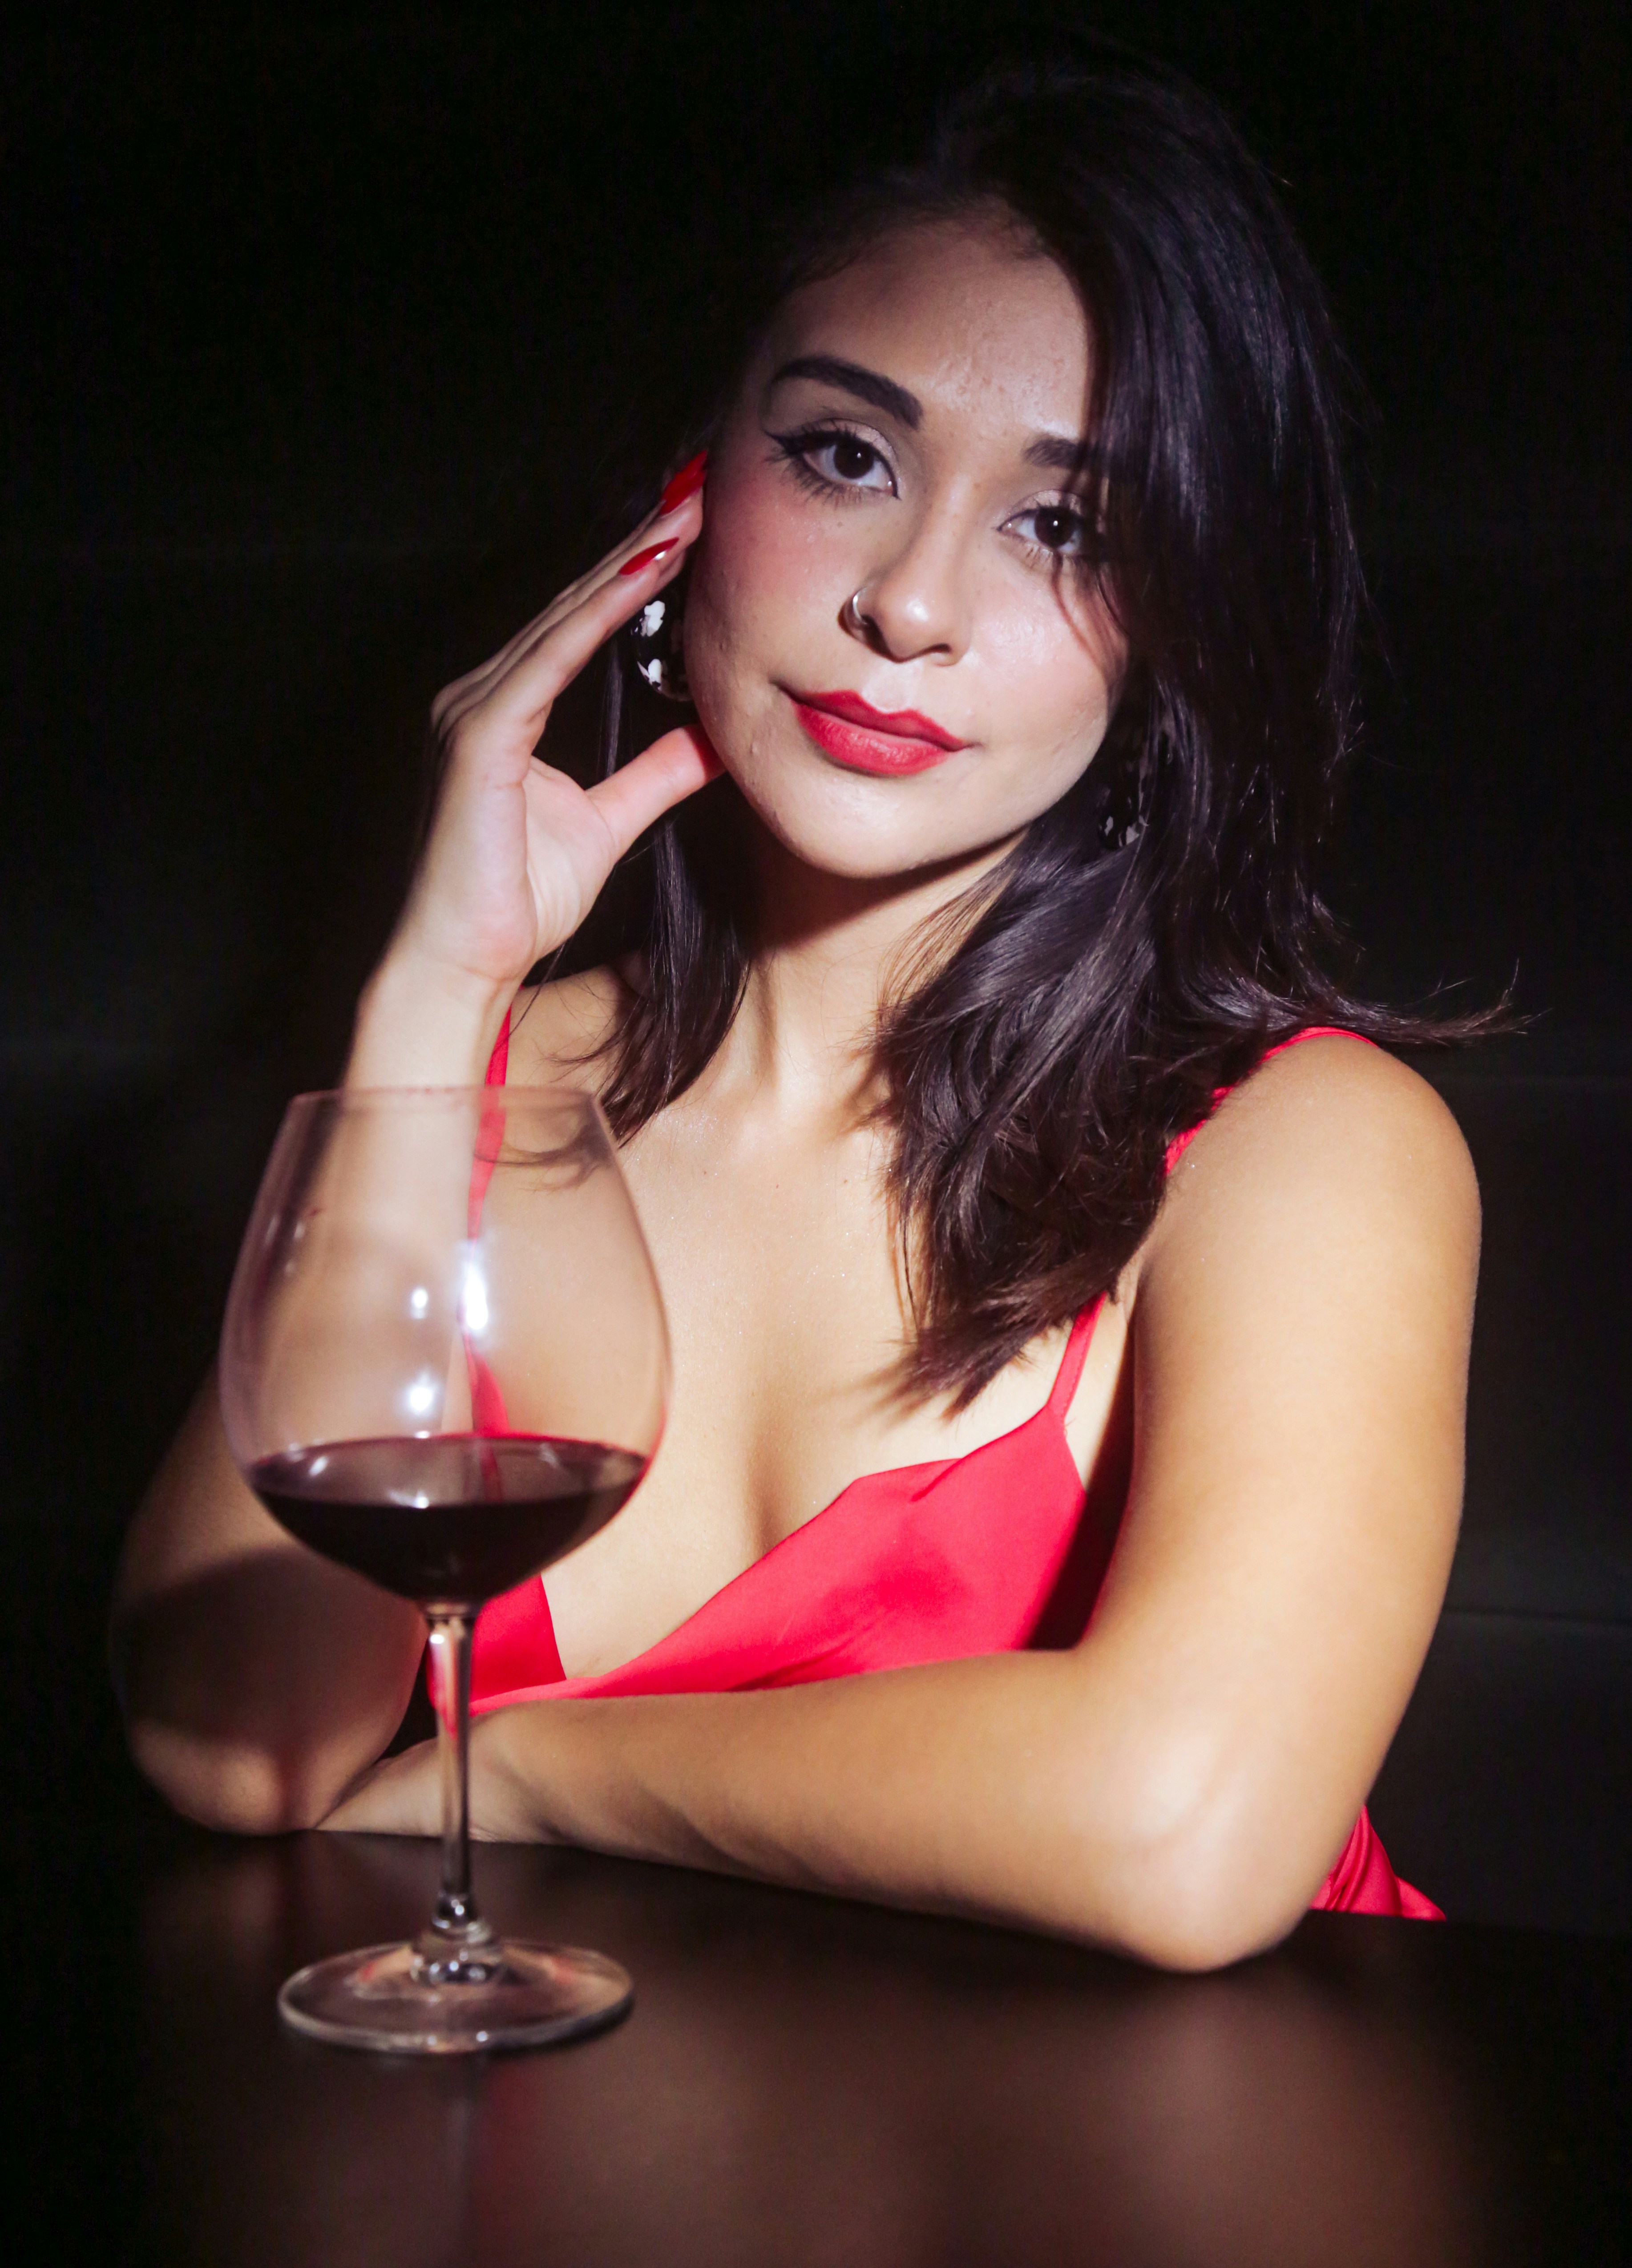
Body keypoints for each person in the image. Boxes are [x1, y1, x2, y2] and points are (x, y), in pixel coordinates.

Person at [113, 63, 1483, 1970]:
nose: (910, 606)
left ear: (1181, 620)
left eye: (1064, 530)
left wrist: (512, 1771)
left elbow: (1184, 1825)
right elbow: (231, 1742)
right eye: (846, 456)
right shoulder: (502, 1089)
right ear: (688, 487)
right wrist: (437, 992)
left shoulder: (1297, 1139)